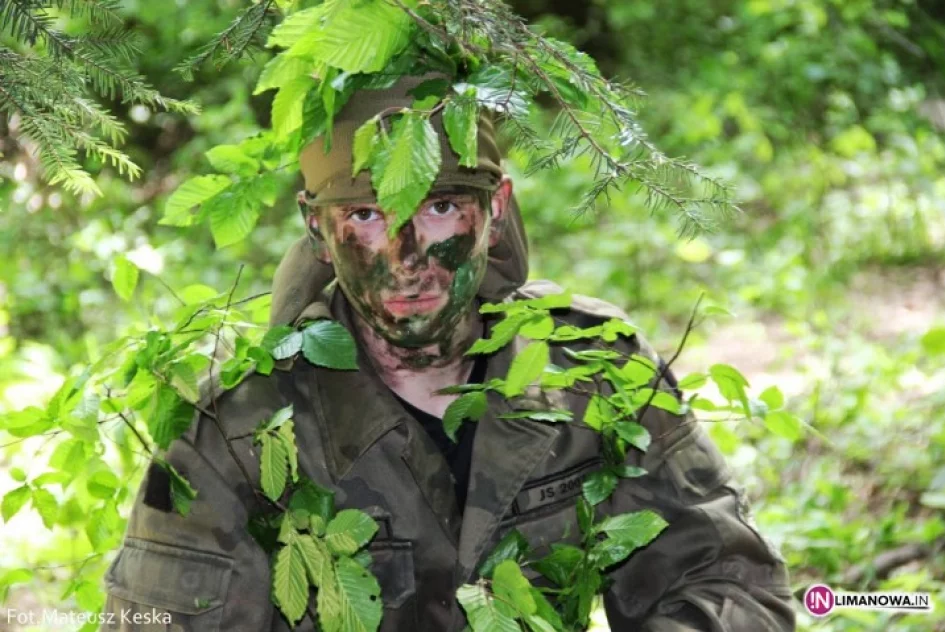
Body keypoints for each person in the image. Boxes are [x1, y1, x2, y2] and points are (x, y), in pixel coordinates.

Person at [100, 77, 796, 631]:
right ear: (318, 229)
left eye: (438, 209)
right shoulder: (237, 430)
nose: (407, 260)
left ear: (496, 211)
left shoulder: (591, 369)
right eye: (368, 216)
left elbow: (730, 584)